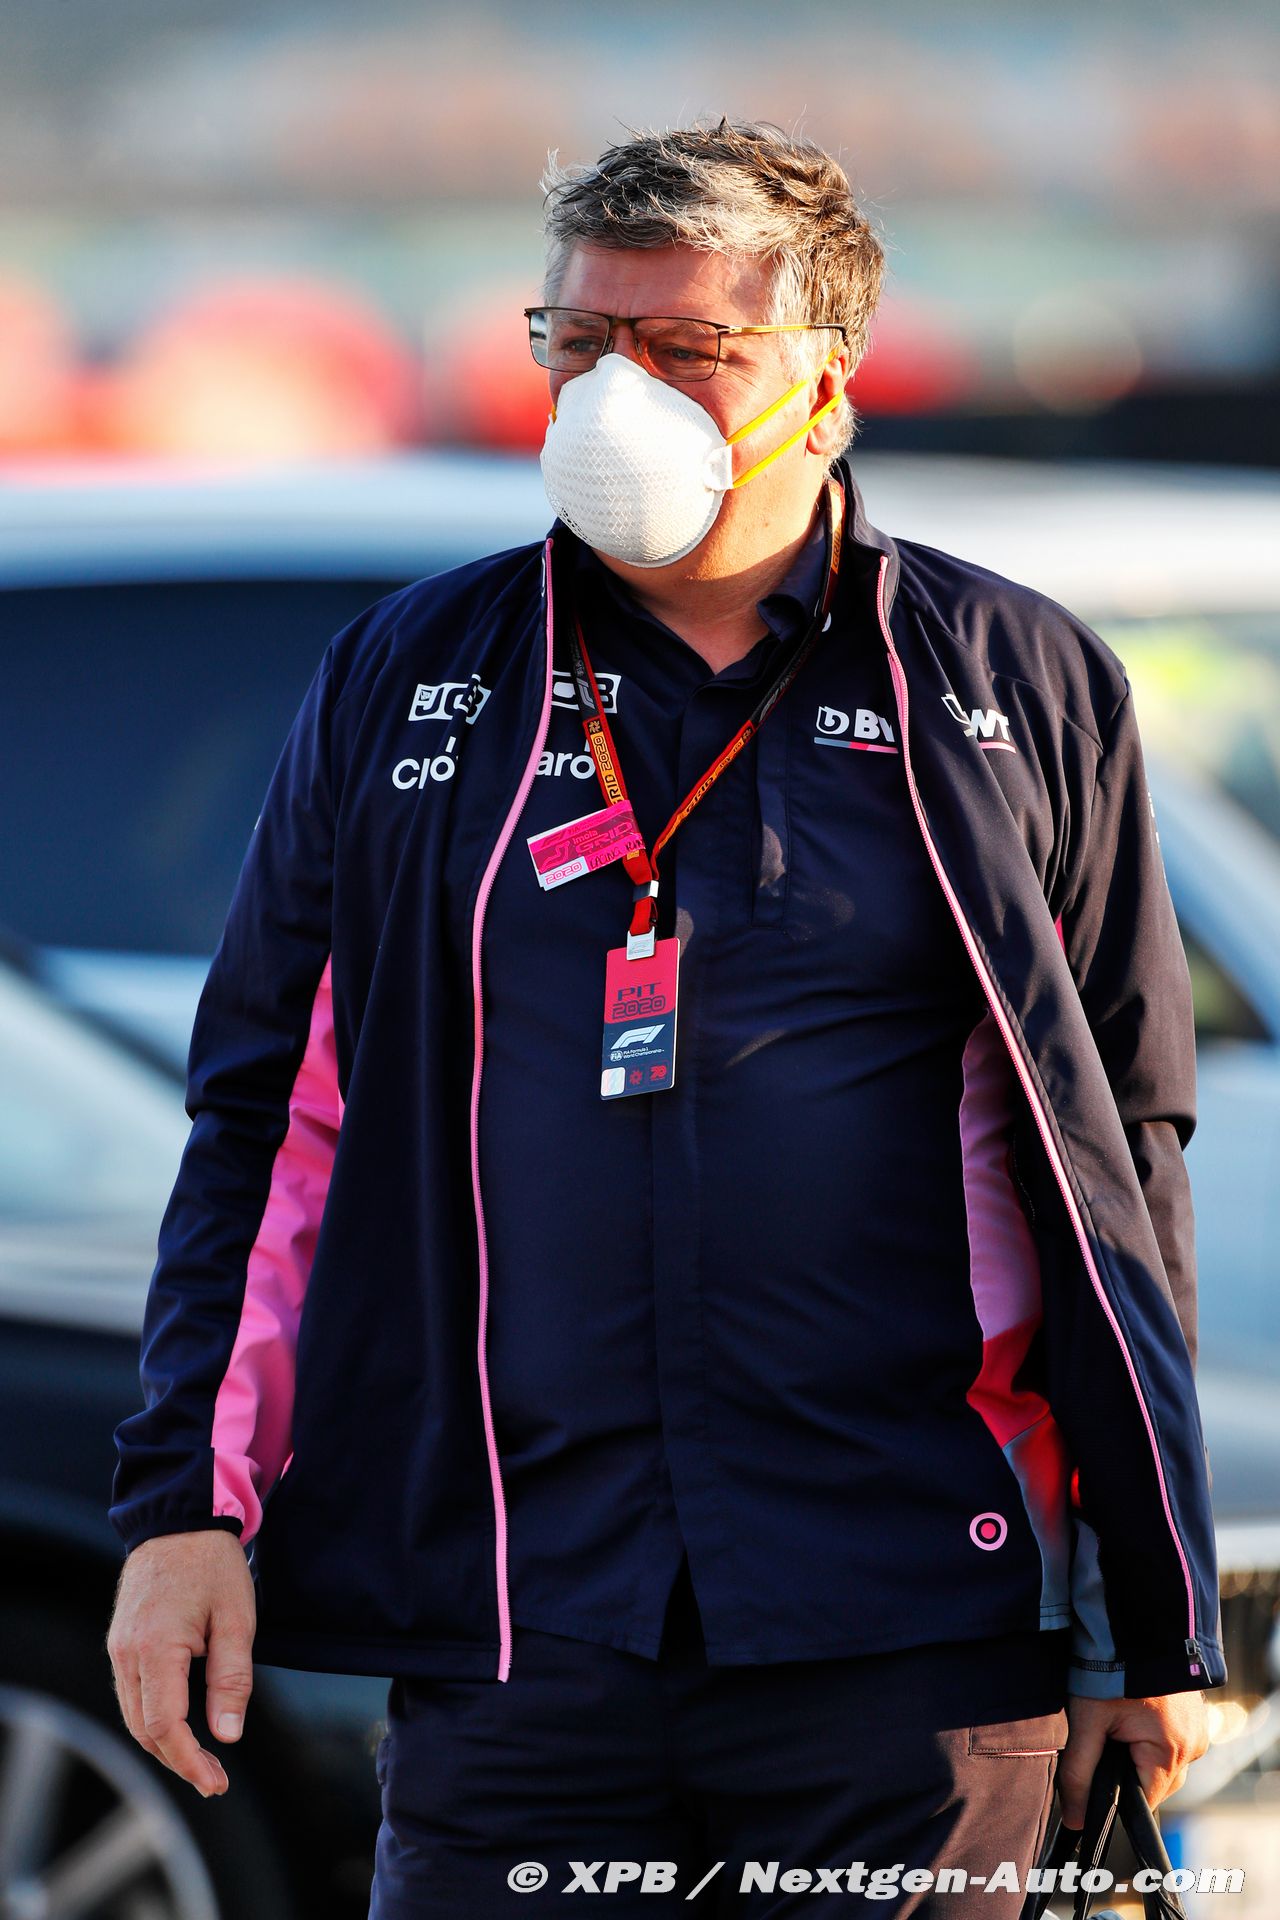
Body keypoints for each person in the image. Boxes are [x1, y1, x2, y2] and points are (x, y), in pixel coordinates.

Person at [107, 120, 1223, 1916]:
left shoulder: (1013, 681)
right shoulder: (413, 675)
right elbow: (267, 1126)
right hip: (520, 1618)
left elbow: (1122, 1163)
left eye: (686, 347)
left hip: (914, 1626)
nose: (615, 394)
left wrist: (1144, 1617)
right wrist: (186, 1510)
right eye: (578, 342)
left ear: (826, 382)